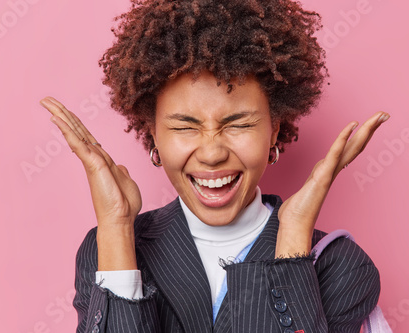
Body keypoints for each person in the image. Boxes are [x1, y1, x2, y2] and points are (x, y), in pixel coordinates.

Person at [40, 0, 389, 332]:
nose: (211, 153)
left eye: (238, 125)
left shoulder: (339, 266)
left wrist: (293, 240)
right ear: (154, 135)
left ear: (274, 131)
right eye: (184, 127)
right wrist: (116, 229)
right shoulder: (108, 247)